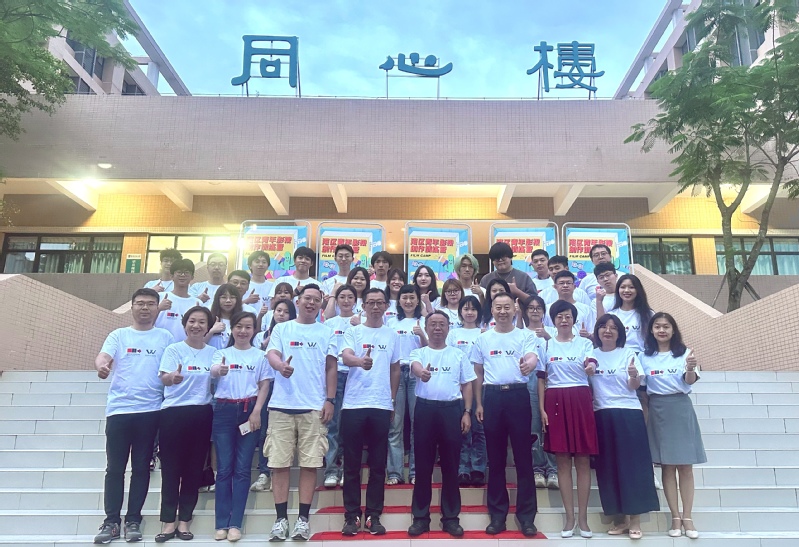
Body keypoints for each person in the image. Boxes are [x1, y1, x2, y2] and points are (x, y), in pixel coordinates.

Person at [92, 288, 174, 544]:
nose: (145, 308)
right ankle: (111, 522)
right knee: (114, 469)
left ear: (158, 308)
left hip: (150, 411)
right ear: (132, 306)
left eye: (150, 304)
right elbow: (103, 356)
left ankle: (133, 520)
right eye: (140, 303)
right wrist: (102, 366)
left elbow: (170, 368)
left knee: (141, 468)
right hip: (119, 410)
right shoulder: (119, 335)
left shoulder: (165, 337)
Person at [266, 284, 337, 541]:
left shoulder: (327, 332)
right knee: (279, 464)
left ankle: (303, 520)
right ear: (297, 301)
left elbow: (331, 367)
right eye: (307, 298)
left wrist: (330, 400)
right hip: (281, 405)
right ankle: (280, 520)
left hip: (313, 406)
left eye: (316, 300)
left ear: (321, 305)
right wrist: (280, 366)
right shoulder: (282, 328)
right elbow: (272, 354)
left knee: (310, 464)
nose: (311, 303)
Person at [470, 292, 539, 537]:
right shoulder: (483, 339)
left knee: (523, 459)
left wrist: (529, 364)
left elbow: (532, 357)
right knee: (496, 459)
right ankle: (498, 516)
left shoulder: (525, 336)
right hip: (492, 397)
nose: (502, 311)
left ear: (514, 309)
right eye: (498, 307)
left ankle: (527, 518)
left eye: (506, 307)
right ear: (492, 310)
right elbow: (478, 373)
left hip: (518, 396)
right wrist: (479, 403)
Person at [590, 314, 659, 540]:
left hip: (628, 413)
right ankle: (619, 519)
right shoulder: (591, 355)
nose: (608, 331)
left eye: (613, 328)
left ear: (620, 332)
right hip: (602, 413)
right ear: (597, 331)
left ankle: (635, 520)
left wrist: (633, 376)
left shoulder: (628, 353)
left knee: (633, 467)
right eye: (603, 327)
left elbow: (634, 385)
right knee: (608, 467)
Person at [407, 311, 475, 537]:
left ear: (448, 328)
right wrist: (422, 373)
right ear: (427, 328)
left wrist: (466, 412)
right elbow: (415, 366)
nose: (437, 328)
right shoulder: (419, 352)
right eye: (433, 324)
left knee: (451, 467)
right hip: (425, 410)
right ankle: (420, 518)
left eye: (442, 324)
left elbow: (467, 384)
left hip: (451, 410)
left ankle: (451, 519)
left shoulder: (458, 355)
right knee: (423, 467)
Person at [340, 288, 401, 536]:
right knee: (352, 465)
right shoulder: (353, 331)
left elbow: (395, 369)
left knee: (377, 465)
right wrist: (359, 361)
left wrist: (392, 400)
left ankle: (373, 516)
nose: (375, 307)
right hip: (353, 404)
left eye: (380, 303)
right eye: (371, 303)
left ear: (386, 306)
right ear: (363, 306)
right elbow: (345, 357)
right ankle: (352, 516)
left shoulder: (392, 334)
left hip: (381, 404)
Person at [640, 312, 705, 539]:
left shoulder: (685, 353)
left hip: (681, 407)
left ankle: (688, 517)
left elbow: (689, 381)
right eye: (657, 326)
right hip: (658, 410)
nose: (662, 330)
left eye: (666, 326)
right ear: (651, 330)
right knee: (667, 467)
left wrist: (690, 368)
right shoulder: (644, 356)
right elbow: (641, 388)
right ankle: (675, 517)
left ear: (673, 330)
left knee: (685, 466)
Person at [537, 300, 598, 538]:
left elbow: (591, 362)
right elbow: (541, 379)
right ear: (553, 320)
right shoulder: (546, 345)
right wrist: (541, 409)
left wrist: (590, 367)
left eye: (568, 316)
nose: (564, 320)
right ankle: (569, 518)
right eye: (559, 316)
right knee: (562, 461)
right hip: (555, 400)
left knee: (582, 461)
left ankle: (583, 519)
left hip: (580, 398)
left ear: (574, 319)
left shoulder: (584, 343)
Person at [155, 306, 216, 542]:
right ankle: (168, 522)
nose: (196, 326)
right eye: (192, 321)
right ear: (184, 324)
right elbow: (164, 378)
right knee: (171, 470)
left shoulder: (213, 353)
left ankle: (184, 521)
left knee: (193, 470)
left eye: (202, 322)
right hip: (173, 414)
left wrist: (220, 371)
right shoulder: (174, 349)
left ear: (208, 327)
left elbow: (217, 373)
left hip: (201, 413)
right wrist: (172, 378)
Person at [210, 312, 270, 542]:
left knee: (243, 469)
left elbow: (264, 385)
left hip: (250, 410)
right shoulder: (222, 353)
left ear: (254, 330)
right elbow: (214, 370)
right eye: (238, 326)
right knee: (224, 468)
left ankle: (235, 523)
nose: (243, 331)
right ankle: (221, 523)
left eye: (247, 327)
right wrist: (219, 370)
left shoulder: (260, 356)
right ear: (232, 329)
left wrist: (257, 411)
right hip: (224, 410)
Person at [250, 298, 296, 493]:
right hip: (267, 385)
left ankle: (282, 473)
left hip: (290, 386)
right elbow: (256, 356)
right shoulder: (261, 335)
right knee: (265, 431)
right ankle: (264, 472)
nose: (281, 314)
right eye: (278, 310)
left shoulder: (296, 333)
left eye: (286, 311)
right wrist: (266, 343)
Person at [385, 284, 427, 485]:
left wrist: (422, 335)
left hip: (416, 375)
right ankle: (395, 472)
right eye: (405, 297)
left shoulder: (424, 321)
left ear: (418, 300)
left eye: (412, 297)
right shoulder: (390, 322)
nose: (408, 301)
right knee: (395, 425)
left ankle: (415, 472)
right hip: (395, 374)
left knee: (417, 425)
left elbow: (430, 349)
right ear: (399, 301)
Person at [517, 295, 558, 489]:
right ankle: (538, 468)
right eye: (531, 308)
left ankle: (553, 468)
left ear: (543, 311)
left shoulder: (553, 331)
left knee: (551, 425)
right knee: (534, 424)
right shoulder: (521, 334)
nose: (534, 311)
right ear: (526, 311)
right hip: (531, 381)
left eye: (538, 307)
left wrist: (549, 338)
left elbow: (563, 349)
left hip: (554, 379)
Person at [322, 285, 360, 488]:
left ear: (356, 301)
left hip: (355, 376)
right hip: (335, 376)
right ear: (336, 300)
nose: (346, 301)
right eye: (342, 297)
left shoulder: (362, 321)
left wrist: (358, 326)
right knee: (333, 425)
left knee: (351, 426)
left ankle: (347, 469)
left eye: (350, 297)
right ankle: (331, 471)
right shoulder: (329, 324)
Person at [446, 295, 485, 486]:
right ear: (460, 312)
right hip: (459, 385)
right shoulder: (454, 334)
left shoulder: (484, 333)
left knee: (479, 428)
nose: (470, 313)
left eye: (473, 309)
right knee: (462, 428)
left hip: (480, 384)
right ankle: (462, 469)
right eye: (466, 309)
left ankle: (478, 468)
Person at [599, 274, 653, 354]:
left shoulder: (648, 314)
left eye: (631, 287)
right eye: (623, 287)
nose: (626, 290)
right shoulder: (612, 315)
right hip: (618, 356)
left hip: (642, 356)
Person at [154, 259, 202, 342]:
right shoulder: (160, 297)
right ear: (172, 276)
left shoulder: (197, 303)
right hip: (161, 344)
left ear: (192, 277)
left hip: (186, 347)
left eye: (186, 272)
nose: (182, 275)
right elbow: (146, 322)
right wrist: (159, 309)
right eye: (179, 272)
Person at [544, 271, 595, 338]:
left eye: (568, 283)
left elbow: (593, 332)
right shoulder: (547, 309)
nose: (565, 286)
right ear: (555, 287)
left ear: (574, 286)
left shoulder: (586, 309)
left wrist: (588, 335)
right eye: (561, 283)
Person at [204, 284, 243, 350]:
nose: (228, 300)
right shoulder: (208, 318)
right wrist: (211, 332)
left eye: (232, 297)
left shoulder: (242, 320)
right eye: (224, 297)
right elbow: (198, 344)